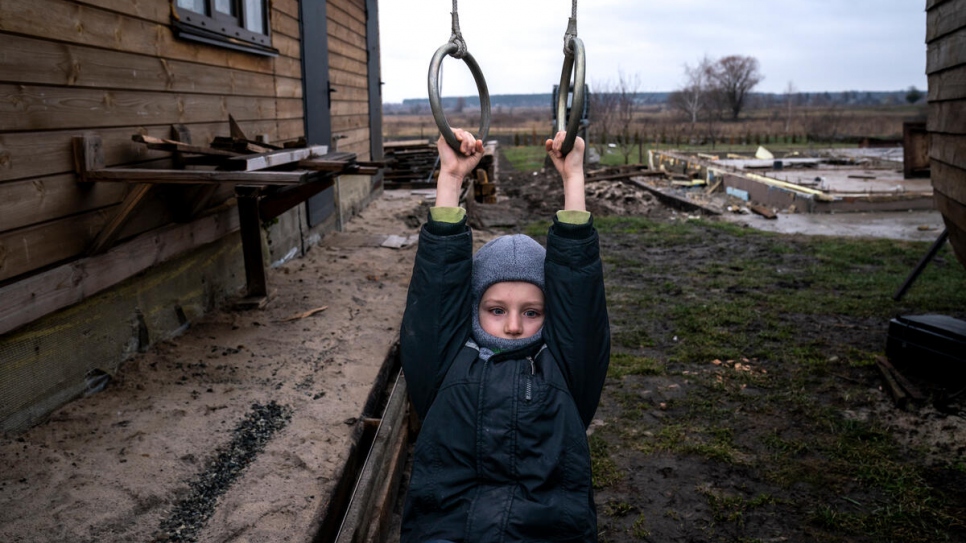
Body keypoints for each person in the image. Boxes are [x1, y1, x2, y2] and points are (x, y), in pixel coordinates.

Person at [399, 128, 610, 542]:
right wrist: (450, 178)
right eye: (496, 310)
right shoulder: (445, 364)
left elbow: (578, 293)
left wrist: (573, 180)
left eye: (532, 312)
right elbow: (437, 287)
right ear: (474, 307)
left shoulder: (566, 371)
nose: (513, 325)